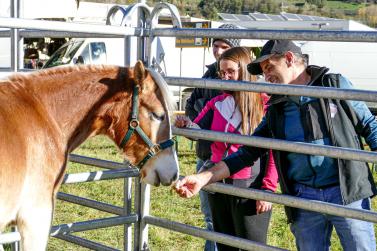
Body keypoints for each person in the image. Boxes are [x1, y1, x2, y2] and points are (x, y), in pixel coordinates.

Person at [174, 40, 377, 251]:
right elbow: (248, 151)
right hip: (303, 197)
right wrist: (203, 177)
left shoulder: (333, 85)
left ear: (289, 59)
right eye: (263, 71)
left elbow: (370, 126)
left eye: (269, 67)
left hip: (347, 191)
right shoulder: (276, 107)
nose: (266, 76)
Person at [177, 47, 278, 250]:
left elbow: (274, 150)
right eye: (222, 73)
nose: (225, 77)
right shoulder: (216, 103)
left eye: (231, 71)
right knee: (224, 245)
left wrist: (268, 189)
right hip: (216, 181)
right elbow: (197, 129)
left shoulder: (264, 104)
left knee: (252, 246)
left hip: (249, 185)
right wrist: (186, 125)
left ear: (244, 70)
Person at [184, 23, 241, 251]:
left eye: (224, 46)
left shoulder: (242, 80)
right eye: (215, 45)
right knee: (211, 216)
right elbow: (191, 104)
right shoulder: (209, 74)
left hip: (237, 161)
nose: (218, 51)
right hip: (207, 154)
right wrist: (202, 124)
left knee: (235, 219)